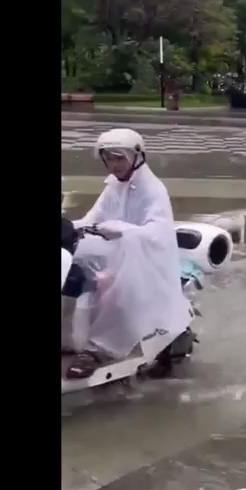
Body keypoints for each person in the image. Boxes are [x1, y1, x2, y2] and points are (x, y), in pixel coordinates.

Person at [64, 128, 187, 379]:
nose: (114, 164)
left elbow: (159, 233)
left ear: (137, 157)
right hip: (116, 251)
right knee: (72, 268)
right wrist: (67, 229)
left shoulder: (153, 190)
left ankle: (99, 349)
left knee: (120, 283)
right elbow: (91, 220)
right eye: (108, 158)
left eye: (119, 158)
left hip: (147, 260)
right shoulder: (113, 188)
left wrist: (125, 231)